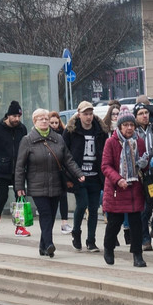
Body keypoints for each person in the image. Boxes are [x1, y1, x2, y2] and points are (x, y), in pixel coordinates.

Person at [15, 108, 85, 257]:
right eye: (41, 119)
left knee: (52, 215)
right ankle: (49, 244)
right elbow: (20, 165)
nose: (45, 121)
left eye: (46, 118)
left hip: (56, 184)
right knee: (46, 214)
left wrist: (78, 174)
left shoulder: (58, 139)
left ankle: (42, 246)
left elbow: (68, 159)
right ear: (35, 121)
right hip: (37, 184)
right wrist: (19, 186)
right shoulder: (27, 140)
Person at [101, 114, 148, 267]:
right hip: (117, 188)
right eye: (126, 125)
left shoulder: (139, 142)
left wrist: (144, 163)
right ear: (120, 127)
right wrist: (118, 179)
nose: (129, 128)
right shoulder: (111, 142)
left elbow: (145, 165)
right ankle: (108, 248)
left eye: (132, 125)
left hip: (134, 187)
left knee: (136, 223)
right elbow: (105, 166)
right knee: (115, 222)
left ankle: (137, 255)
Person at [63, 101, 107, 252]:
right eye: (85, 114)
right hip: (78, 175)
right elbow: (65, 153)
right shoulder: (71, 130)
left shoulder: (100, 130)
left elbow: (105, 151)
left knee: (94, 209)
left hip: (95, 176)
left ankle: (91, 240)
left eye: (90, 113)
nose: (88, 117)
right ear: (79, 114)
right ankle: (76, 231)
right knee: (82, 205)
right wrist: (68, 176)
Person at [0, 101, 28, 236]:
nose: (17, 119)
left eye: (19, 116)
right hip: (2, 169)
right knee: (2, 197)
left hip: (18, 170)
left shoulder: (22, 129)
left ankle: (19, 227)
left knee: (20, 197)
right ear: (8, 116)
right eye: (14, 116)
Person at [134, 103, 153, 251]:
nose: (144, 116)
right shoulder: (133, 132)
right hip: (141, 175)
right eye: (141, 113)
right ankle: (145, 238)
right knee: (145, 208)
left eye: (146, 113)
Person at [48, 111, 72, 233]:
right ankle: (49, 225)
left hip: (61, 169)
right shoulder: (43, 135)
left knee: (63, 196)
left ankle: (64, 222)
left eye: (56, 122)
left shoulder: (63, 134)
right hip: (48, 170)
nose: (54, 125)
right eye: (51, 122)